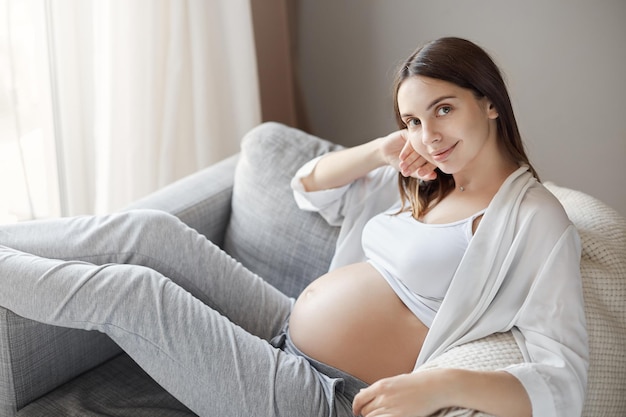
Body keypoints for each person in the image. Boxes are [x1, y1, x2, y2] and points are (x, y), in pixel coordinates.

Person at [0, 37, 587, 417]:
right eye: (412, 119)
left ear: (489, 102)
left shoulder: (534, 221)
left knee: (132, 292)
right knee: (151, 232)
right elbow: (307, 184)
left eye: (443, 108)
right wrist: (382, 150)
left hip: (324, 394)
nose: (428, 134)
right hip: (281, 324)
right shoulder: (422, 175)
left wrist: (443, 386)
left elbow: (563, 378)